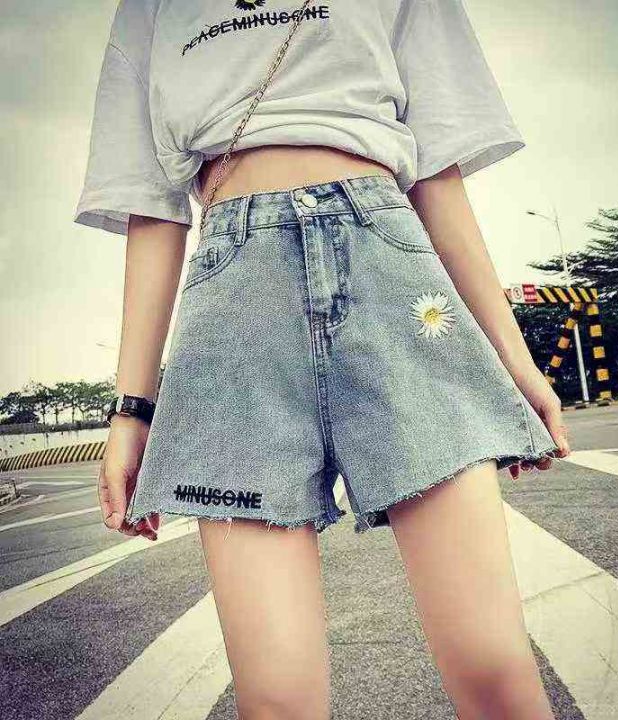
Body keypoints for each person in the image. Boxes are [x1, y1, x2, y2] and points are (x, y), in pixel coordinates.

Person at [74, 1, 571, 718]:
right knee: (276, 700)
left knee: (494, 666)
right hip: (234, 308)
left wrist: (514, 362)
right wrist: (131, 409)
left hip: (392, 274)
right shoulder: (150, 8)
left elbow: (437, 174)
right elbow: (151, 209)